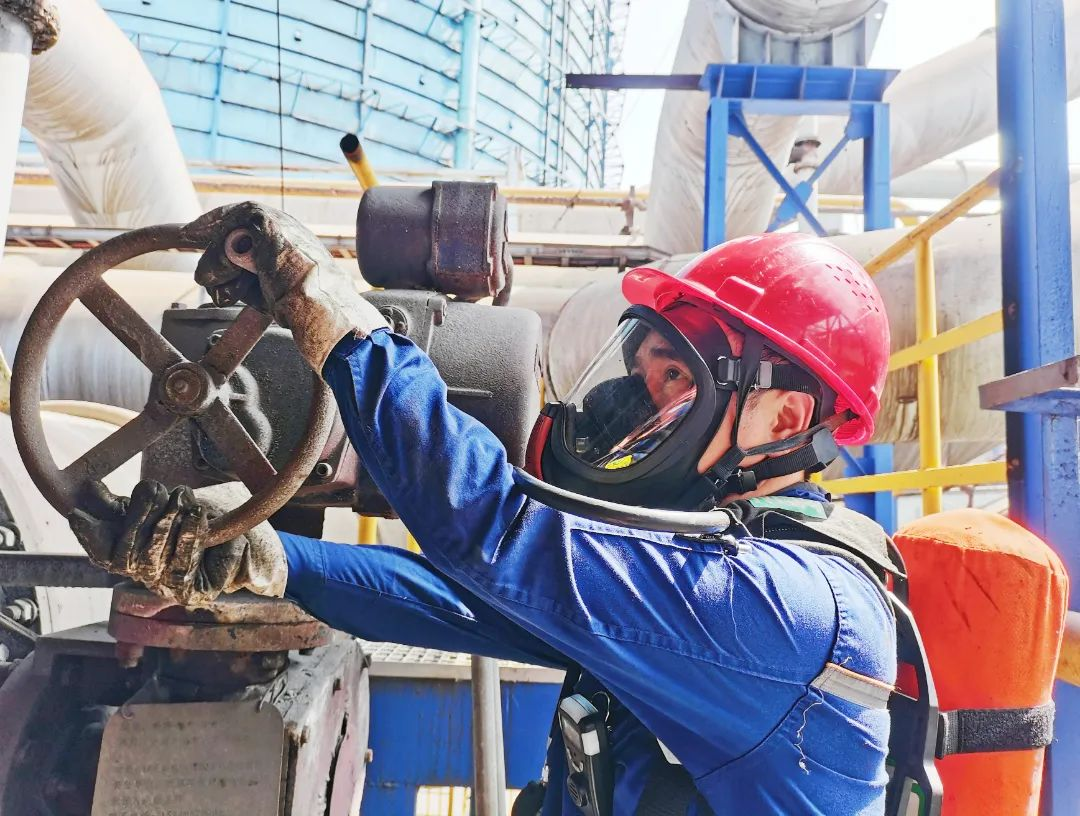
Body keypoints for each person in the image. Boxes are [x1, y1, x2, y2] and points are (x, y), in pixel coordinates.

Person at [69, 204, 898, 816]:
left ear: (784, 419)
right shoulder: (721, 560)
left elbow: (492, 533)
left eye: (675, 380)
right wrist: (272, 562)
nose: (639, 403)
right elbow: (474, 604)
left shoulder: (786, 612)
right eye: (644, 369)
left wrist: (344, 328)